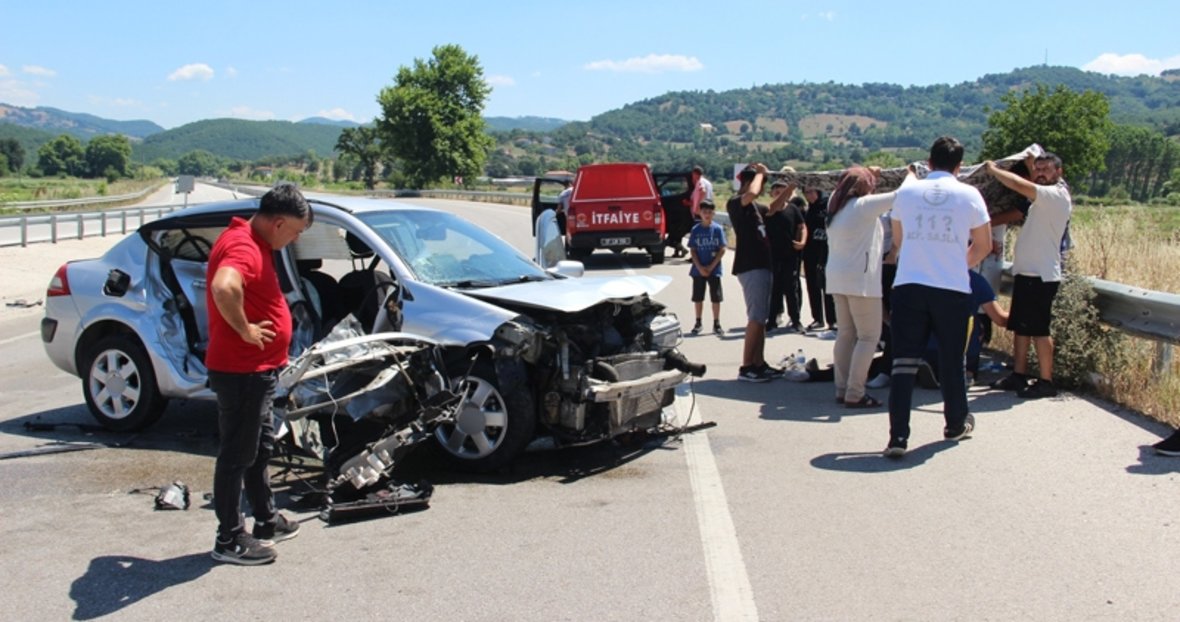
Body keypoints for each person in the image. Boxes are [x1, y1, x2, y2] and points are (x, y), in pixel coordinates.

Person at [206, 184, 311, 565]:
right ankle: (229, 539)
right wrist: (246, 330)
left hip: (258, 371)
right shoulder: (244, 247)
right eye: (296, 232)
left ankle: (265, 520)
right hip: (242, 371)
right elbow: (223, 286)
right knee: (237, 454)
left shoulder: (253, 242)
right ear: (279, 222)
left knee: (259, 447)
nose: (296, 239)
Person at [885, 136, 992, 458]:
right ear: (959, 167)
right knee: (951, 360)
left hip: (909, 284)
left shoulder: (907, 192)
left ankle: (898, 437)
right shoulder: (970, 194)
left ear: (928, 163)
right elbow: (984, 244)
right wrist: (958, 265)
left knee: (903, 362)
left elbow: (900, 239)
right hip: (951, 288)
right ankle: (955, 422)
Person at [984, 152, 1073, 399]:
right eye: (1038, 169)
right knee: (1021, 327)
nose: (1041, 173)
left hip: (1041, 276)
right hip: (1027, 273)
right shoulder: (1040, 199)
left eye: (1046, 169)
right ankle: (1019, 374)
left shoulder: (1054, 195)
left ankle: (1046, 381)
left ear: (1059, 172)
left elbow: (1018, 184)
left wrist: (993, 170)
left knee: (1040, 330)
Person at [825, 165, 905, 408]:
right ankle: (855, 392)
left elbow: (857, 187)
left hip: (837, 278)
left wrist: (870, 175)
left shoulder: (835, 205)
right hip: (861, 280)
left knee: (846, 335)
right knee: (869, 336)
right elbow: (902, 194)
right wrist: (912, 172)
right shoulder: (864, 206)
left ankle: (842, 388)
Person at [727, 163, 795, 382]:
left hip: (763, 264)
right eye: (761, 183)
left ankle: (759, 363)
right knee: (756, 318)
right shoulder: (736, 203)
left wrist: (790, 188)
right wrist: (761, 175)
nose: (763, 188)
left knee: (762, 318)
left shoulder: (756, 208)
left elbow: (774, 208)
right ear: (748, 182)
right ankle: (747, 366)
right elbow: (753, 192)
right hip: (751, 265)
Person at [916, 269, 1010, 389]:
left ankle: (926, 365)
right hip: (963, 348)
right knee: (975, 324)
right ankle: (967, 373)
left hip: (926, 345)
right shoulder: (974, 279)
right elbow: (1000, 319)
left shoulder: (924, 276)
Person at [766, 184, 807, 332]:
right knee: (776, 288)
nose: (779, 194)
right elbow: (775, 206)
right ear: (771, 193)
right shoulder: (770, 209)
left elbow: (802, 226)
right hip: (775, 255)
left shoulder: (793, 209)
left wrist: (802, 242)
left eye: (781, 192)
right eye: (776, 191)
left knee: (791, 288)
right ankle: (771, 320)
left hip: (791, 254)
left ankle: (796, 321)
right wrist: (789, 188)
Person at [687, 200, 727, 336]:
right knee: (698, 297)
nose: (707, 215)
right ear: (700, 213)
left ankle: (717, 322)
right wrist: (699, 267)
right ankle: (698, 322)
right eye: (704, 212)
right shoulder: (696, 230)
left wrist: (711, 266)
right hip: (698, 270)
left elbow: (722, 249)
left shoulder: (717, 229)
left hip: (714, 269)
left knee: (716, 297)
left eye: (710, 212)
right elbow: (693, 250)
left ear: (714, 213)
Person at [802, 187, 837, 335]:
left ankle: (832, 320)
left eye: (811, 192)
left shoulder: (828, 206)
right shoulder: (808, 210)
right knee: (812, 285)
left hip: (827, 251)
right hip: (810, 252)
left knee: (827, 287)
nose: (809, 195)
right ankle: (817, 317)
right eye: (806, 193)